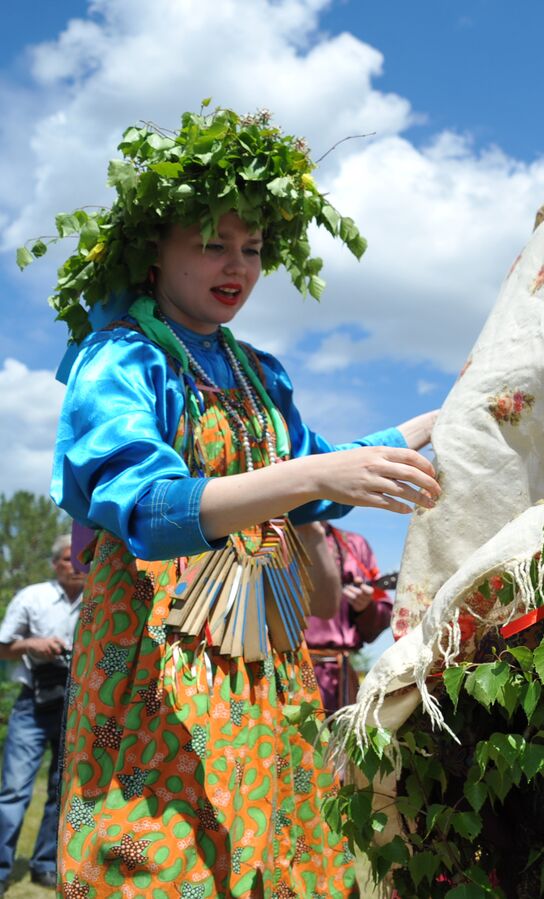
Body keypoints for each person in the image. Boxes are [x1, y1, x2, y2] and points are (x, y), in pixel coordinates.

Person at [40, 108, 441, 898]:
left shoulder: (259, 372)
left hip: (259, 654)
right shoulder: (120, 357)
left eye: (252, 248)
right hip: (153, 652)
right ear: (152, 252)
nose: (238, 265)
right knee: (161, 848)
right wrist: (316, 478)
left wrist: (440, 419)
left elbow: (311, 470)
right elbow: (152, 510)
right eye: (212, 243)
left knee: (273, 847)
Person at [0, 534, 83, 890]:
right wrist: (32, 644)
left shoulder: (100, 599)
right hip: (31, 705)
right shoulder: (32, 597)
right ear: (55, 564)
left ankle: (45, 863)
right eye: (67, 559)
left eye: (82, 558)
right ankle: (2, 868)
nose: (76, 565)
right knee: (15, 789)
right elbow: (3, 647)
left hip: (75, 705)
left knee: (59, 788)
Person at [305, 525, 393, 712]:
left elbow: (385, 615)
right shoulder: (274, 539)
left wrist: (366, 608)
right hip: (284, 668)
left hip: (339, 679)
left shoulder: (354, 545)